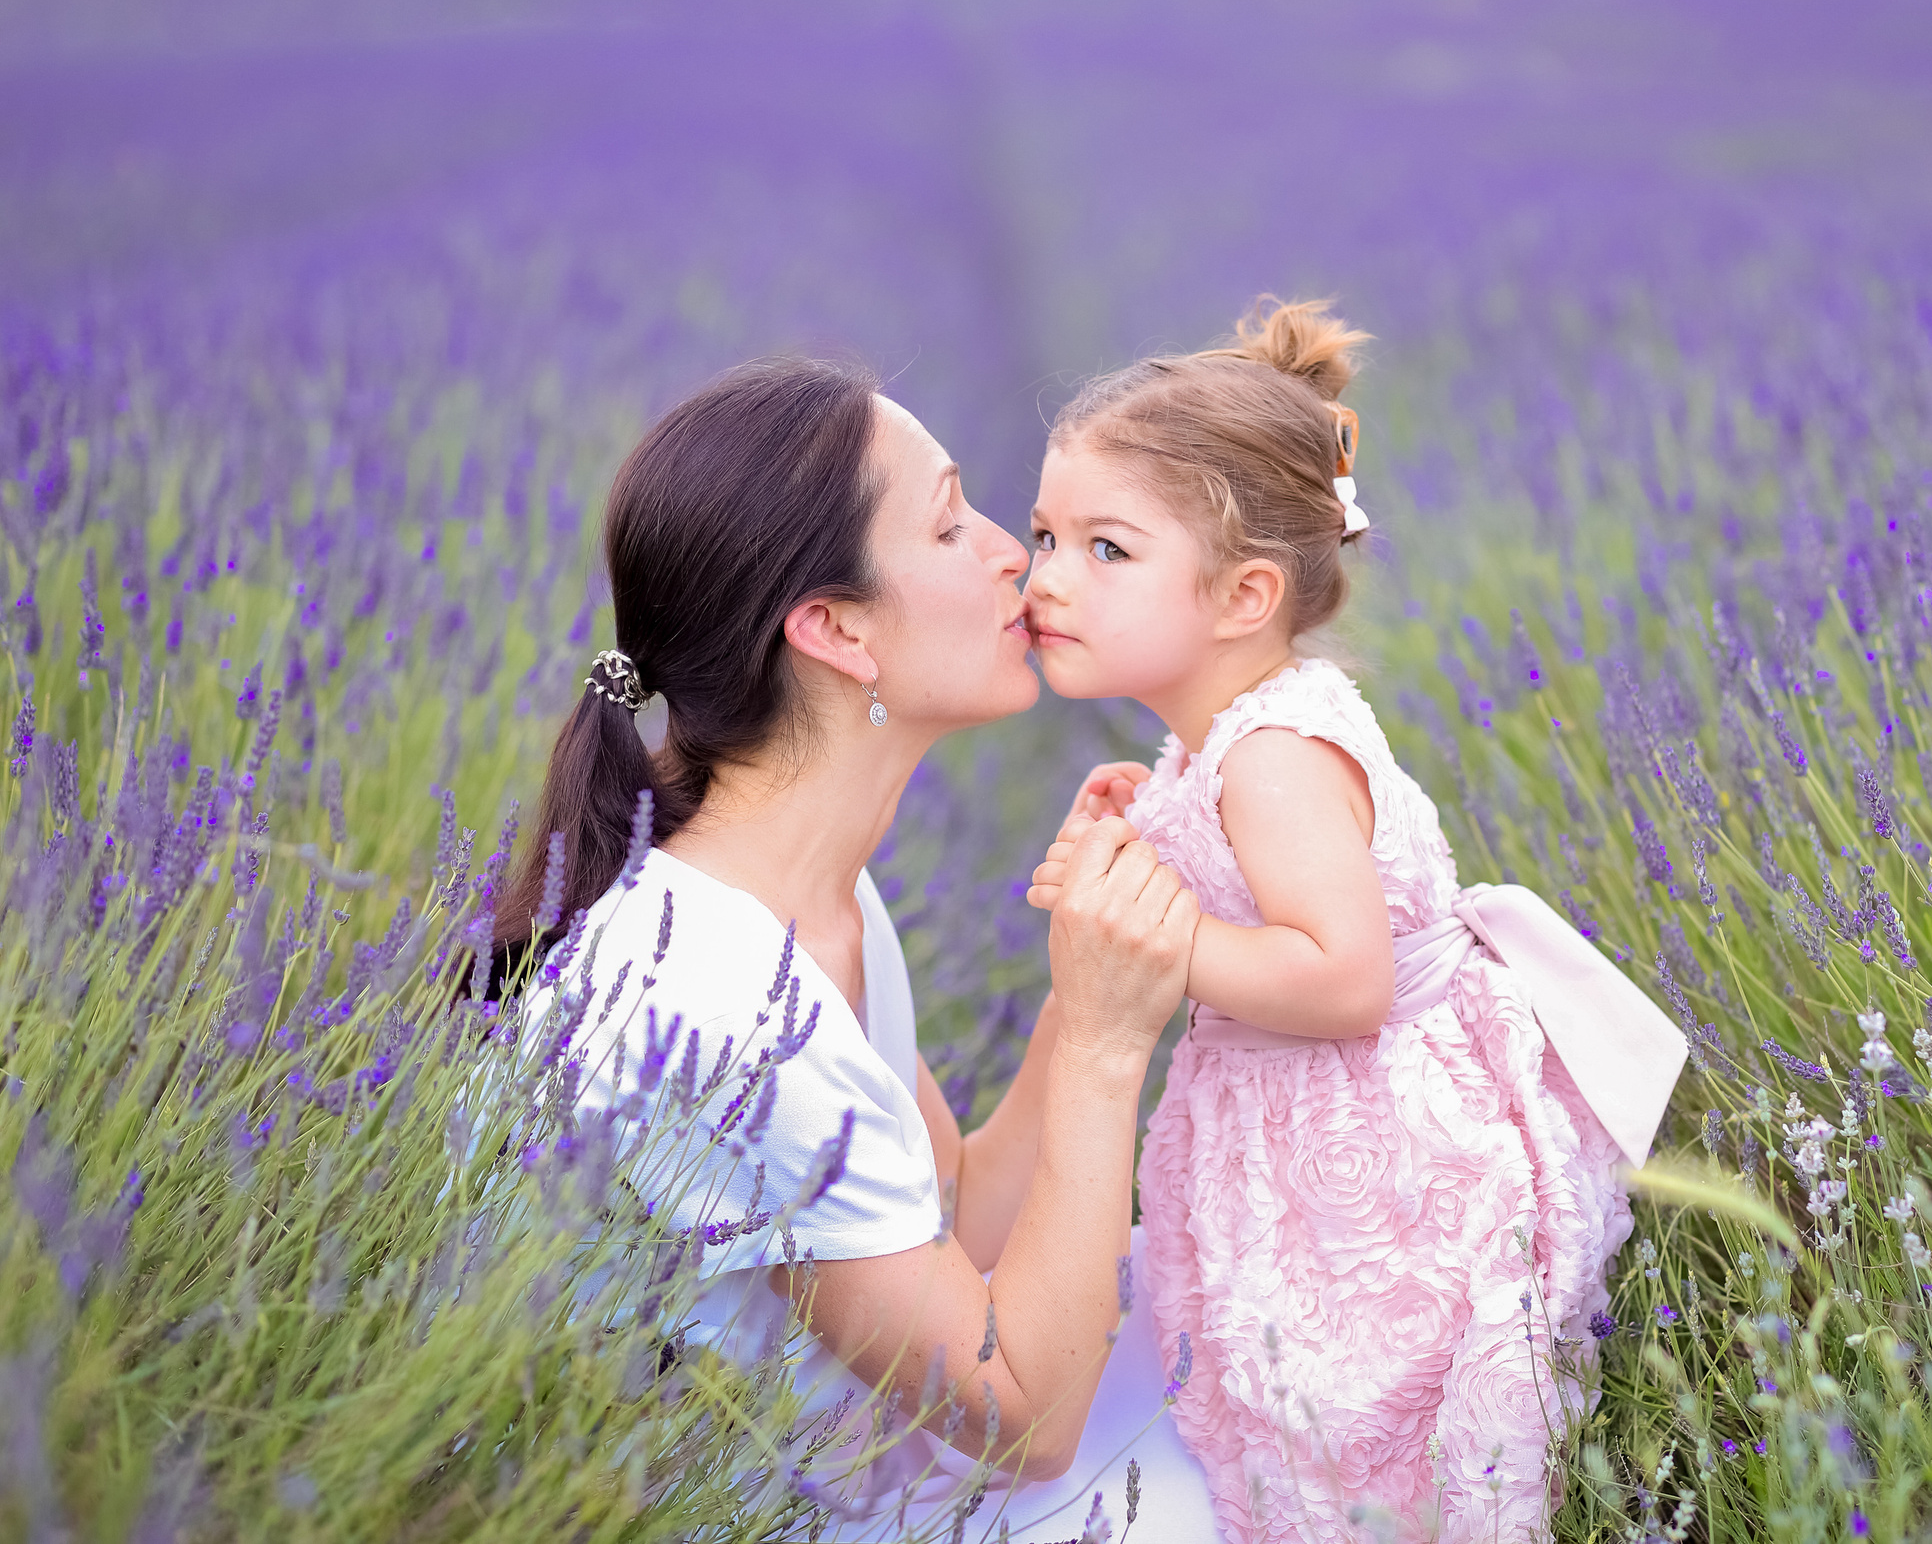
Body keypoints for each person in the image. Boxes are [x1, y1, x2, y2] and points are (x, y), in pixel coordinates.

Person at [501, 356, 1222, 1538]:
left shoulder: (810, 898)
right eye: (949, 524)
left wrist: (1086, 971)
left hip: (848, 1461)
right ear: (835, 629)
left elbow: (961, 1214)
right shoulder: (716, 998)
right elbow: (1024, 1422)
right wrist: (1102, 1044)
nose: (1011, 555)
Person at [1020, 300, 1689, 1541]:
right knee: (1284, 1420)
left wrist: (1157, 931)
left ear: (1243, 595)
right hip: (1302, 1132)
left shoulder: (1269, 753)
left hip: (1370, 1156)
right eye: (1044, 534)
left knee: (1359, 1434)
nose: (1046, 576)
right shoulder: (1221, 736)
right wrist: (1141, 837)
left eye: (1105, 550)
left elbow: (1342, 978)